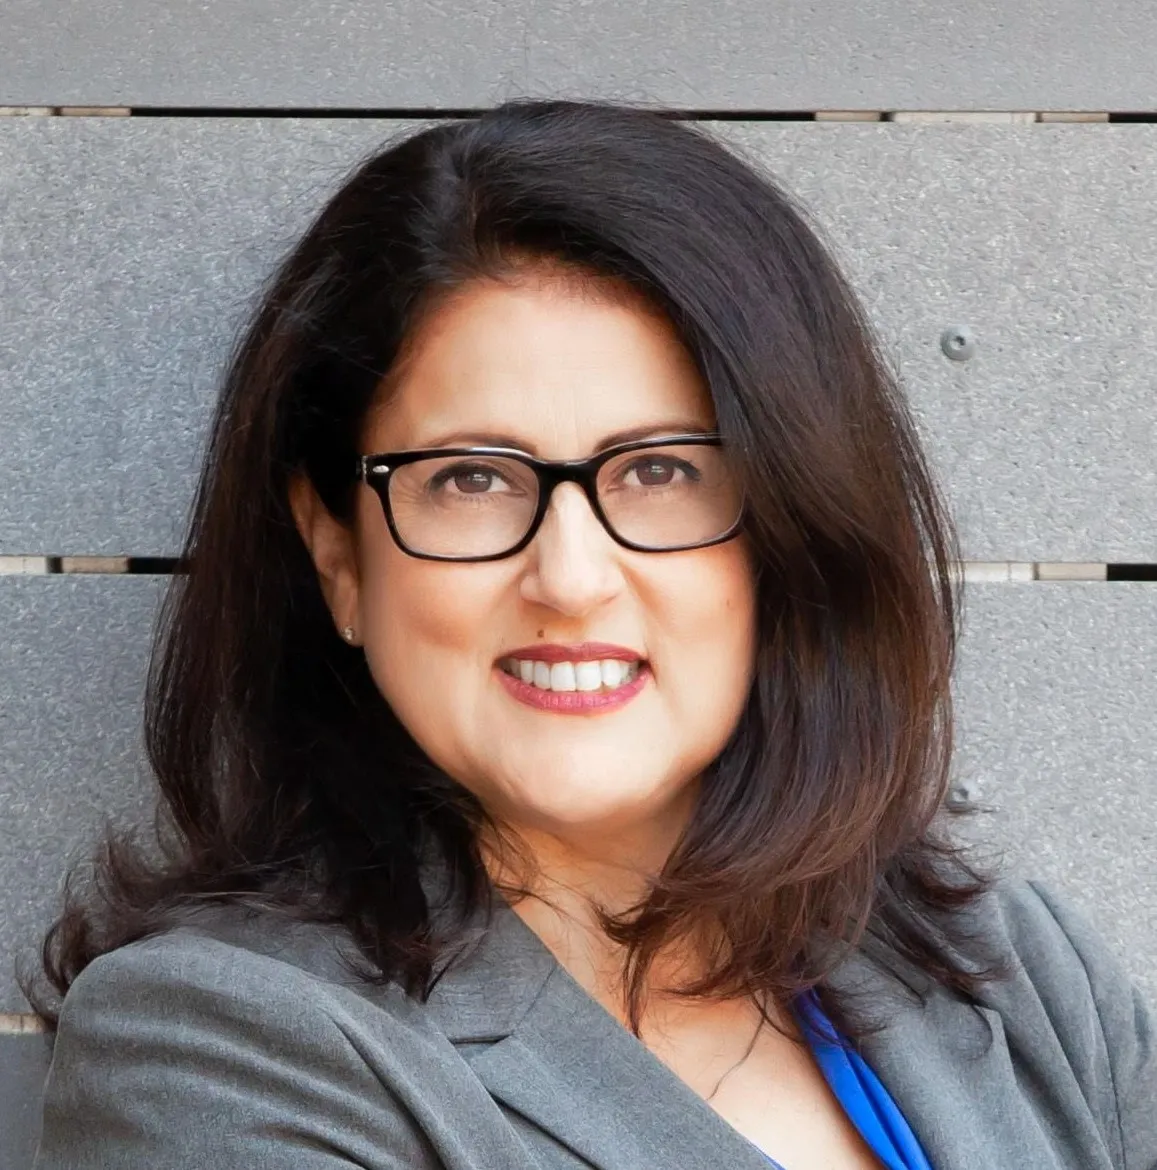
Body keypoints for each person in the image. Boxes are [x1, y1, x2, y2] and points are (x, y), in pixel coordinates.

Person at [27, 99, 1155, 1170]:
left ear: (793, 532)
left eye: (660, 470)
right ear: (339, 560)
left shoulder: (1014, 976)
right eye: (468, 478)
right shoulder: (216, 1052)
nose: (568, 577)